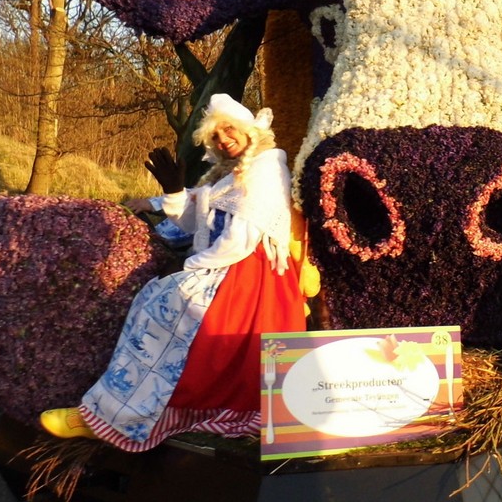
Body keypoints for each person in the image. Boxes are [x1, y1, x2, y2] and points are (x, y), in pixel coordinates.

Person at [41, 93, 317, 450]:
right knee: (154, 303)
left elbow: (244, 236)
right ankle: (116, 409)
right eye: (215, 136)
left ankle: (117, 414)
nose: (223, 140)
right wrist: (174, 191)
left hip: (246, 274)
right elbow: (192, 224)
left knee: (164, 307)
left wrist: (192, 270)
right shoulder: (226, 175)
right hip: (225, 265)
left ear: (250, 130)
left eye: (229, 130)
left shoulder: (266, 168)